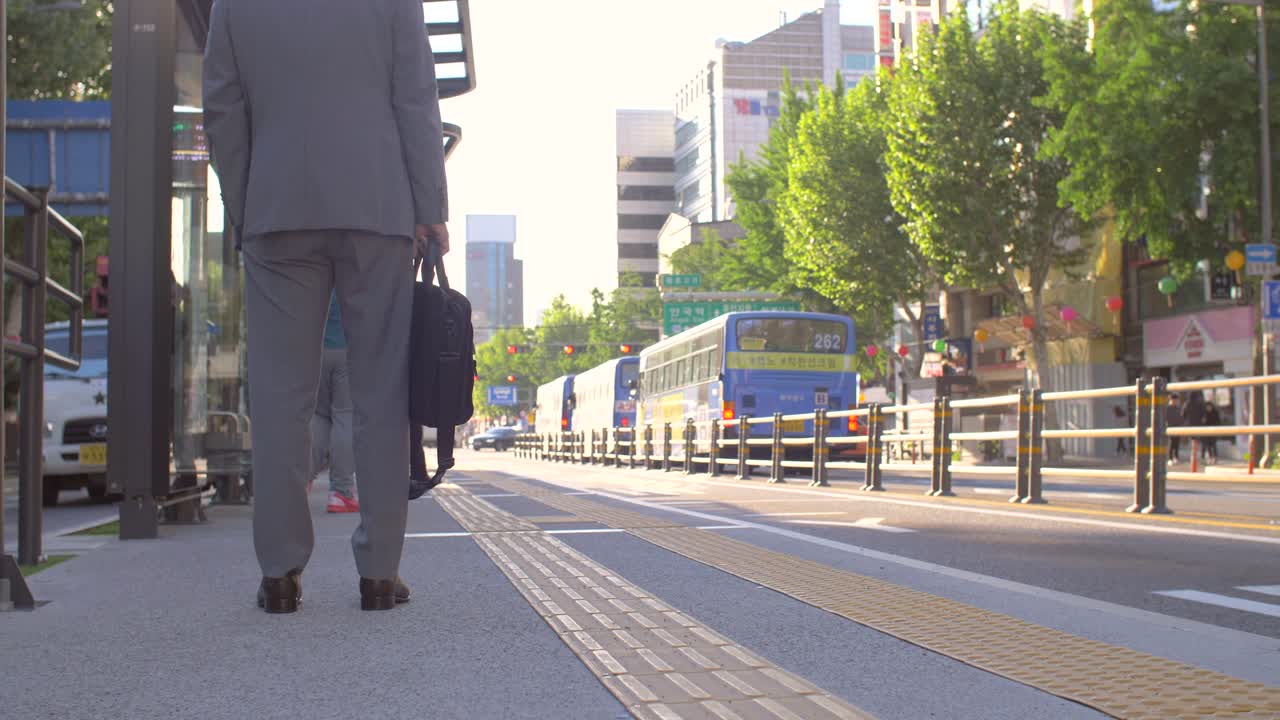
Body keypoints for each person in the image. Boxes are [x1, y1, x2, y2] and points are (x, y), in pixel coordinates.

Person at [204, 0, 450, 614]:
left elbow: (223, 109)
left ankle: (280, 573)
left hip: (277, 210)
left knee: (282, 398)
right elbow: (416, 99)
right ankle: (379, 573)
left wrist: (246, 205)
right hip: (377, 206)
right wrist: (430, 205)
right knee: (380, 395)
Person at [311, 292, 359, 514]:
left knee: (318, 416)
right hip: (347, 351)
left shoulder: (317, 272)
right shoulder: (350, 270)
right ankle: (341, 492)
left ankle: (301, 481)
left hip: (315, 352)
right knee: (344, 415)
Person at [1167, 393, 1182, 463]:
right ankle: (1170, 458)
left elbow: (1180, 418)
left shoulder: (1178, 408)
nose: (1175, 401)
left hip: (1178, 428)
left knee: (1176, 444)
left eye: (1176, 400)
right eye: (1174, 400)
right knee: (1171, 444)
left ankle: (1176, 457)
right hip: (1170, 428)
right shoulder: (1167, 408)